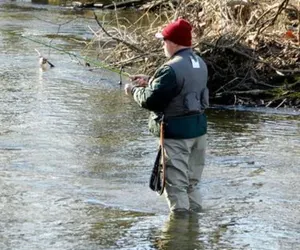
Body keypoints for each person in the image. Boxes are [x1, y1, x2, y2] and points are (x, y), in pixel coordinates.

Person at [124, 18, 209, 213]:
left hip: (177, 137)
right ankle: (193, 234)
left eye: (164, 40)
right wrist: (152, 80)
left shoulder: (171, 68)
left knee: (176, 187)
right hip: (198, 134)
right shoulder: (199, 63)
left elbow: (151, 101)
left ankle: (178, 237)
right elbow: (183, 88)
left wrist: (132, 91)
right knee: (191, 185)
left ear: (173, 42)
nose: (163, 45)